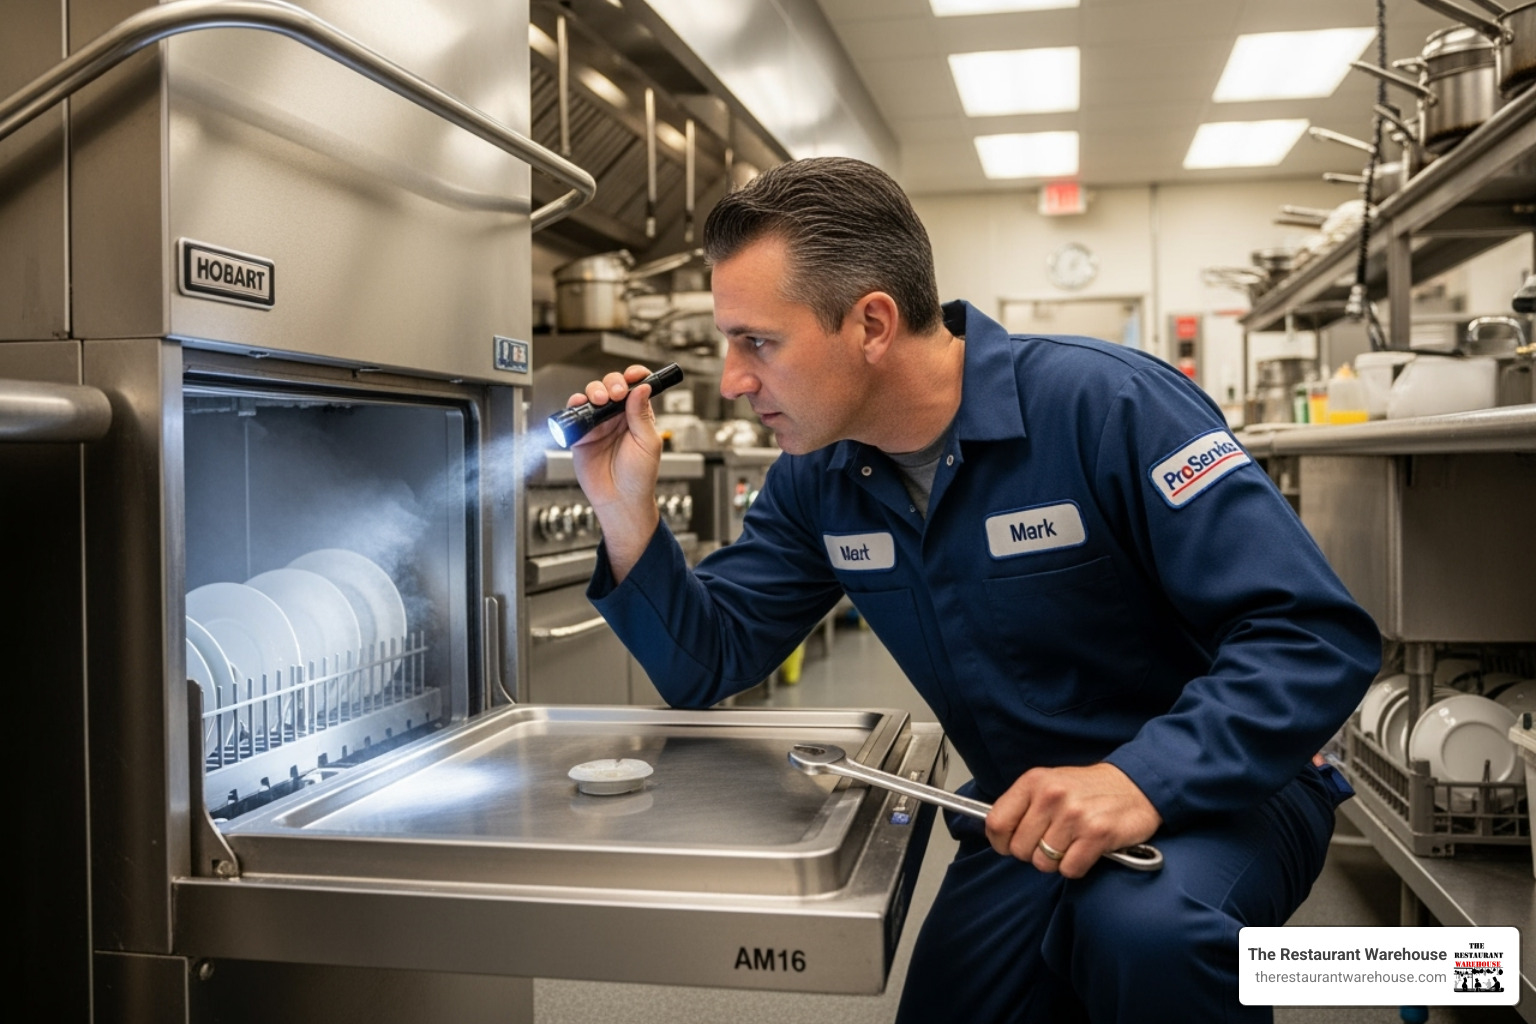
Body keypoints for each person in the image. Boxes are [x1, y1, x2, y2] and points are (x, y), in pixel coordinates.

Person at [565, 156, 1380, 1024]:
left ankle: (1422, 968)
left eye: (757, 341)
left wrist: (1138, 777)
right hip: (1023, 816)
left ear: (872, 322)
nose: (732, 379)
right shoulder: (819, 476)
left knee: (1140, 935)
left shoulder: (1107, 405)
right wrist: (626, 515)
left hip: (1227, 788)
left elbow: (1312, 635)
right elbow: (710, 661)